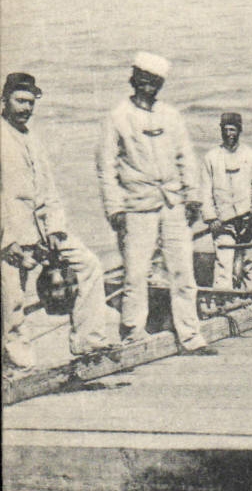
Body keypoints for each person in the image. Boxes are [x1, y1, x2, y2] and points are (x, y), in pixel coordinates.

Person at [3, 72, 117, 370]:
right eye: (20, 101)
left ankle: (88, 340)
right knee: (12, 301)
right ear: (4, 99)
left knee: (88, 264)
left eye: (31, 102)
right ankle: (18, 364)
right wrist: (7, 241)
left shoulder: (32, 138)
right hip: (11, 236)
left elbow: (49, 190)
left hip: (42, 234)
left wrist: (55, 227)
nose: (26, 108)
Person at [97, 52, 206, 350]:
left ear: (160, 84)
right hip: (136, 206)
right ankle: (133, 334)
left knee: (183, 271)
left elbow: (186, 157)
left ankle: (191, 336)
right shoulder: (117, 117)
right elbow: (106, 168)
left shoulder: (171, 115)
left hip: (172, 204)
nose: (148, 86)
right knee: (135, 273)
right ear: (133, 80)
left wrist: (193, 197)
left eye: (155, 82)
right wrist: (114, 208)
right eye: (143, 80)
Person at [200, 112, 252, 290]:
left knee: (251, 262)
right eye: (226, 129)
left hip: (249, 220)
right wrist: (211, 218)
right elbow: (205, 192)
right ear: (221, 131)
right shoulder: (211, 158)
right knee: (224, 262)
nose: (229, 133)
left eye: (233, 129)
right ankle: (223, 301)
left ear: (240, 131)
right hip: (224, 222)